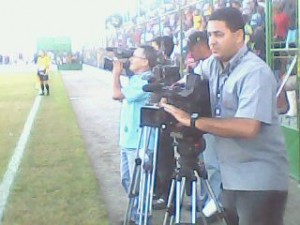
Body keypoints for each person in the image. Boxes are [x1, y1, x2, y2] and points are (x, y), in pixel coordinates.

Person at [161, 7, 289, 225]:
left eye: (219, 34)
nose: (212, 41)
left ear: (239, 36)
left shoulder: (254, 72)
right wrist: (169, 96)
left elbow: (247, 127)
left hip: (258, 180)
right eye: (210, 35)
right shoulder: (212, 64)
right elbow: (188, 84)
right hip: (229, 177)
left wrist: (192, 121)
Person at [112, 45, 158, 224]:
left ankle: (142, 219)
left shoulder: (145, 81)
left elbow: (116, 94)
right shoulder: (137, 79)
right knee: (128, 180)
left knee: (140, 185)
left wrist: (116, 73)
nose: (131, 59)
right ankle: (135, 216)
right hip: (130, 140)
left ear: (145, 62)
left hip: (140, 142)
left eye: (135, 56)